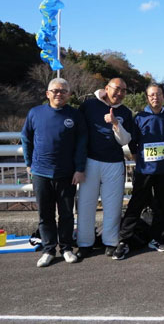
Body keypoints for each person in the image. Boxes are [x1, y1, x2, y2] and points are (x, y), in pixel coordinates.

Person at [21, 78, 87, 267]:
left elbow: (82, 143)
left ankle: (66, 248)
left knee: (66, 213)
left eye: (63, 91)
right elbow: (26, 138)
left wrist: (79, 168)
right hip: (41, 172)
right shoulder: (35, 113)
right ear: (47, 93)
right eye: (55, 90)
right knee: (45, 214)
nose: (59, 93)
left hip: (67, 173)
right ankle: (48, 249)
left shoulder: (75, 115)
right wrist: (28, 163)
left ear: (69, 94)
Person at [112, 83, 164, 260]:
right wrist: (137, 159)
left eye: (158, 94)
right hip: (144, 171)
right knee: (136, 204)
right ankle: (124, 241)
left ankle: (157, 238)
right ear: (147, 98)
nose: (155, 97)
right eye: (151, 95)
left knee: (162, 205)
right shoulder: (139, 118)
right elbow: (132, 143)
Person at [76, 78, 133, 259]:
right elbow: (78, 131)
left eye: (124, 90)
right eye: (117, 89)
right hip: (90, 161)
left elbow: (125, 141)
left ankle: (110, 241)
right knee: (86, 203)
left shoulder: (125, 112)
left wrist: (116, 123)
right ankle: (85, 243)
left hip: (115, 163)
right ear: (106, 88)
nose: (120, 93)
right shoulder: (89, 106)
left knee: (113, 205)